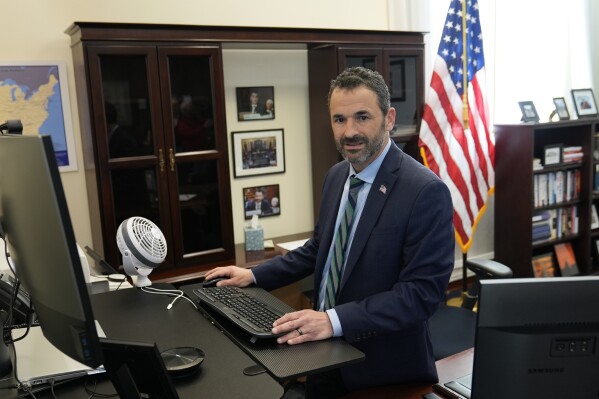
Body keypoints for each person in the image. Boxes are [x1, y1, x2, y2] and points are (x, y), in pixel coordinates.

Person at [205, 67, 454, 397]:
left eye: (362, 117)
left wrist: (334, 320)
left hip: (381, 369)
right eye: (339, 119)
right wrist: (254, 276)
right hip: (321, 355)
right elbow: (320, 248)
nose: (349, 131)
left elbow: (420, 295)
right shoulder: (337, 176)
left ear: (389, 118)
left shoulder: (425, 192)